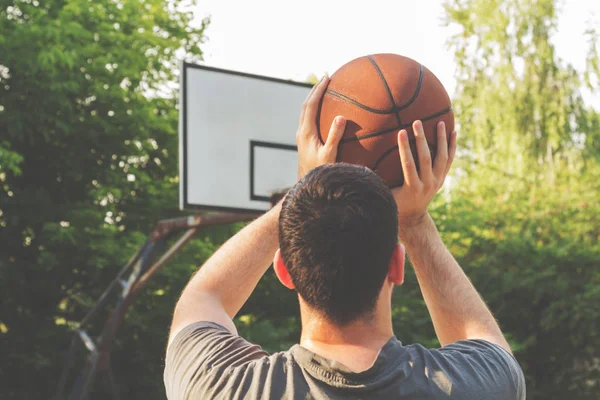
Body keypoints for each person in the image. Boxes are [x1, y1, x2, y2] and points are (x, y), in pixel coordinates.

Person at [164, 76, 526, 399]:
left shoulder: (218, 388)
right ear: (396, 266)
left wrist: (304, 187)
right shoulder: (476, 387)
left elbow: (201, 300)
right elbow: (483, 340)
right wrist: (415, 222)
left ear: (284, 270)